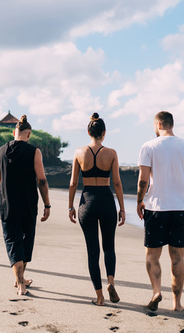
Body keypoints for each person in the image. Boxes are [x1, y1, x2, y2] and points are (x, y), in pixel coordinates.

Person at [136, 111, 184, 312]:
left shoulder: (149, 146)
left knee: (152, 255)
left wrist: (140, 201)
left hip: (156, 208)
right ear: (171, 124)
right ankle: (177, 304)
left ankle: (156, 291)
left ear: (157, 124)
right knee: (178, 258)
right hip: (181, 208)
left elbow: (143, 180)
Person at [68, 113, 126, 306]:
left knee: (93, 251)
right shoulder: (112, 153)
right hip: (106, 200)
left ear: (88, 132)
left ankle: (100, 297)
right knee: (109, 247)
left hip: (87, 202)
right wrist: (122, 208)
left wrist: (70, 206)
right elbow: (116, 182)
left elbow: (73, 183)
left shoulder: (78, 152)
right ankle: (110, 282)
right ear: (104, 133)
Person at [0, 115, 51, 295]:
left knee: (13, 242)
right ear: (29, 134)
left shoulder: (0, 151)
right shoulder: (34, 151)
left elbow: (0, 179)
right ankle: (20, 282)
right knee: (26, 242)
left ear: (15, 132)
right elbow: (41, 180)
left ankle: (20, 281)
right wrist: (47, 204)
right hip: (27, 204)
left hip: (7, 204)